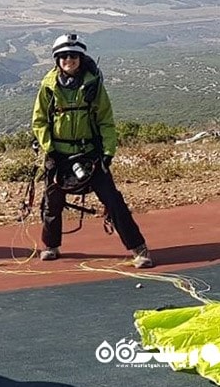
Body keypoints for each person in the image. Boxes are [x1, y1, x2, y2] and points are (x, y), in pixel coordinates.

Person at [31, 33, 153, 268]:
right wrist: (50, 149)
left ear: (80, 57)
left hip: (90, 154)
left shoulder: (93, 84)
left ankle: (139, 248)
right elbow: (39, 121)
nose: (69, 60)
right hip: (59, 154)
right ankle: (51, 245)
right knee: (52, 202)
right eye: (64, 56)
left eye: (74, 55)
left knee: (113, 200)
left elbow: (105, 120)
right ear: (57, 59)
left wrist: (108, 152)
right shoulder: (48, 87)